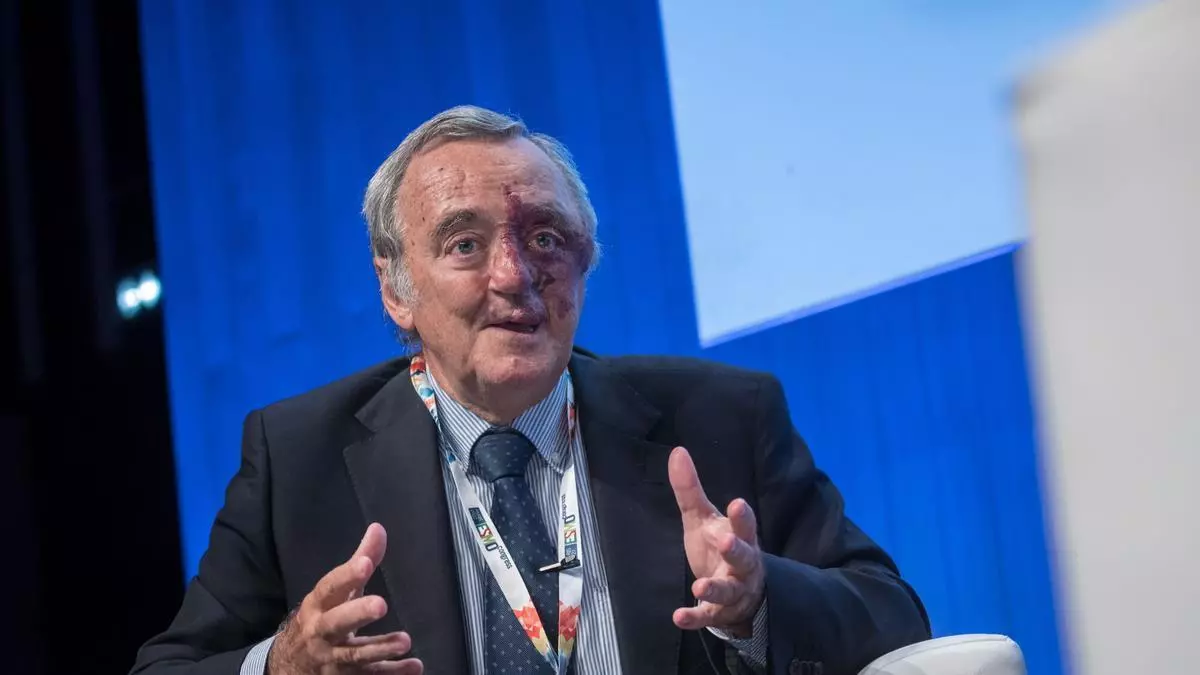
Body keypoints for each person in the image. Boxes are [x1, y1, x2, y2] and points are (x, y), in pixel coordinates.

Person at [131, 105, 930, 675]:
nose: (516, 275)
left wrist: (759, 600)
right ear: (396, 290)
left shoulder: (721, 418)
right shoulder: (298, 458)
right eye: (465, 243)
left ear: (584, 263)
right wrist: (281, 665)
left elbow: (895, 615)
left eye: (545, 237)